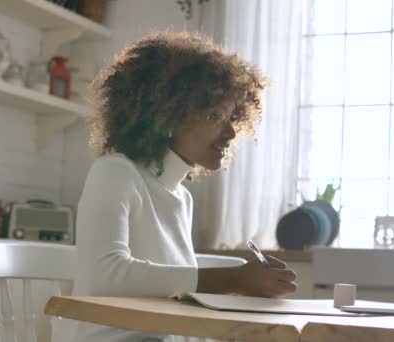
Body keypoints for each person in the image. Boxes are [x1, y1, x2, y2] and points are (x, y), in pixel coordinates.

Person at [72, 31, 297, 341]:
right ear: (166, 115)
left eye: (232, 116)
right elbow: (105, 276)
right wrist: (233, 278)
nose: (231, 132)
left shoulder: (181, 198)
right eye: (215, 115)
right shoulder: (115, 173)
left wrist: (245, 282)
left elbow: (171, 296)